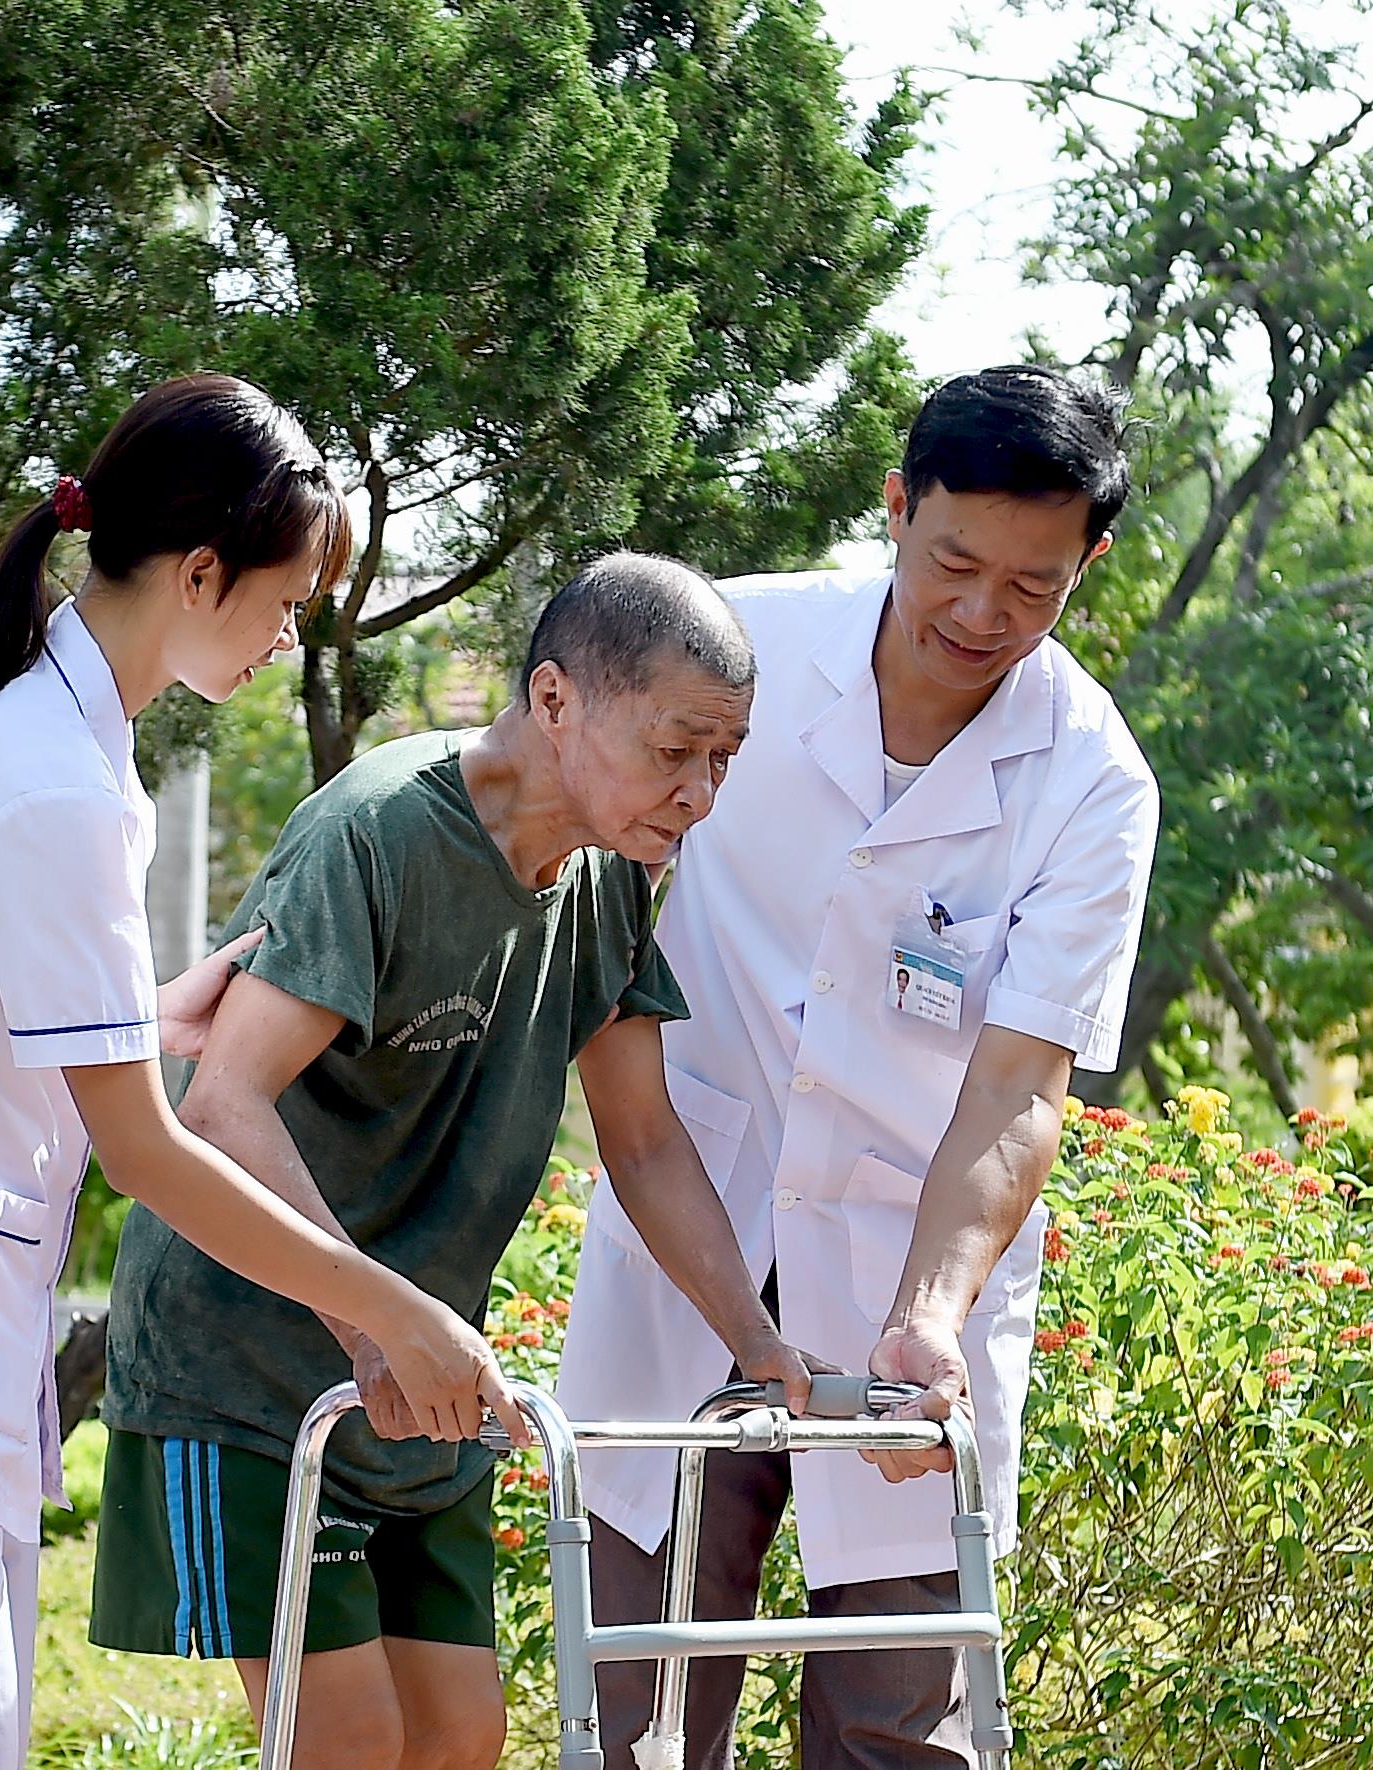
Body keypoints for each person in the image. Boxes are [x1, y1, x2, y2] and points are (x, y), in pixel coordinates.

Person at [0, 373, 512, 1769]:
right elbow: (146, 1152)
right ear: (199, 573)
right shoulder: (57, 782)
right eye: (282, 602)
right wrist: (390, 1311)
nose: (284, 639)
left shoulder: (64, 748)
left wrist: (144, 1017)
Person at [93, 554, 831, 1770]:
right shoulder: (378, 829)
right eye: (672, 751)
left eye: (723, 759)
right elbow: (221, 1105)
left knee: (456, 1735)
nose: (698, 794)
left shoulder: (608, 876)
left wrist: (758, 1349)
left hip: (419, 1380)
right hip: (249, 1372)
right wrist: (373, 1324)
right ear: (553, 700)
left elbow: (642, 1139)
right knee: (346, 1743)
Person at [555, 367, 1159, 1768]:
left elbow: (1015, 1086)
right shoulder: (734, 649)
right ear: (893, 507)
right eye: (952, 562)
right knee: (635, 1703)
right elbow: (571, 859)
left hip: (905, 1287)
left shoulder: (1088, 781)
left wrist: (929, 1313)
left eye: (1032, 584)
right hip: (690, 1232)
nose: (980, 613)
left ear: (1086, 564)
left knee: (899, 1719)